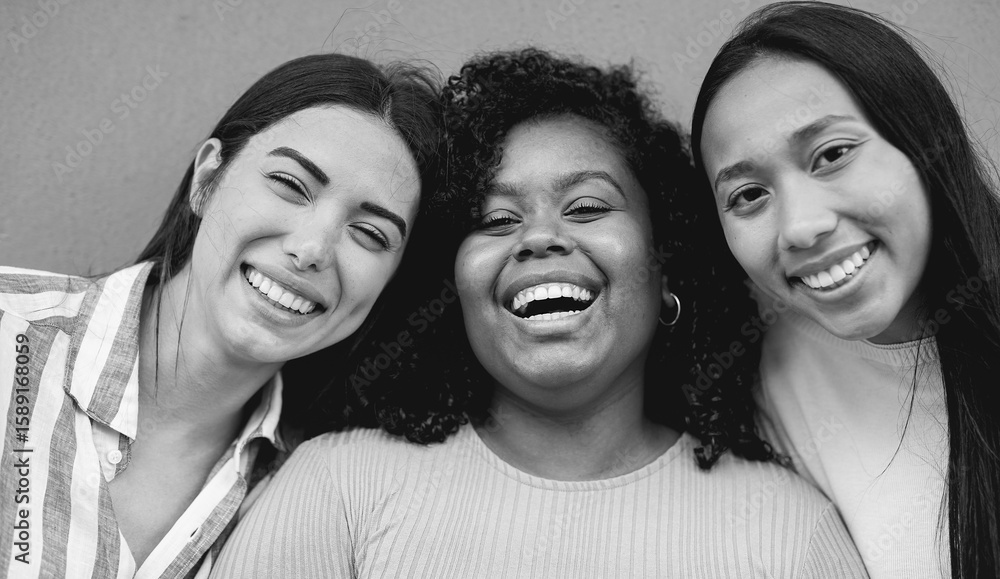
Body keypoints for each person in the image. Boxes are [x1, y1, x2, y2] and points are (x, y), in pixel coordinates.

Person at [211, 48, 868, 578]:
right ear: (452, 287)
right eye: (496, 219)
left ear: (667, 259)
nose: (540, 238)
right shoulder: (339, 489)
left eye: (587, 207)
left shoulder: (788, 532)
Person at [0, 53, 440, 578]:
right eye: (291, 184)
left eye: (370, 234)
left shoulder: (321, 489)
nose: (311, 249)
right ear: (208, 178)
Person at [689, 3, 1000, 578]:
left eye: (832, 155)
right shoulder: (752, 372)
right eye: (749, 195)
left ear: (923, 142)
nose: (800, 226)